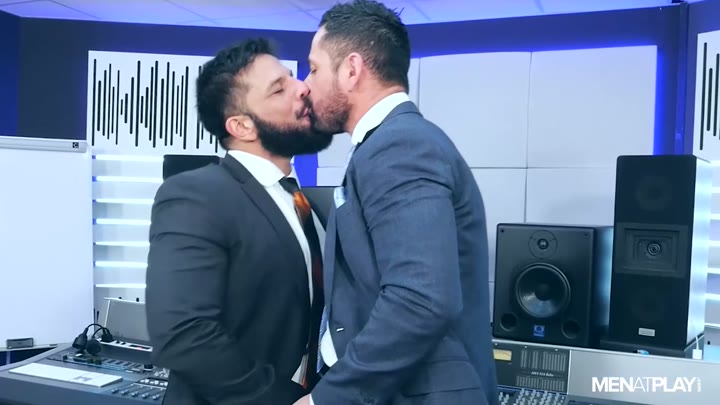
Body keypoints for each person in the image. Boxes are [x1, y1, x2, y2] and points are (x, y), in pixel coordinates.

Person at [296, 1, 499, 404]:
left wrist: (328, 398)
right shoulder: (389, 143)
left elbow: (420, 299)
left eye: (314, 69)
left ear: (351, 70)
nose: (305, 84)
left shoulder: (400, 146)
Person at [145, 38, 333, 405]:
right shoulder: (196, 194)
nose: (302, 88)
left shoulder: (304, 202)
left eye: (292, 78)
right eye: (279, 88)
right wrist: (286, 400)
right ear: (242, 126)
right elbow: (184, 336)